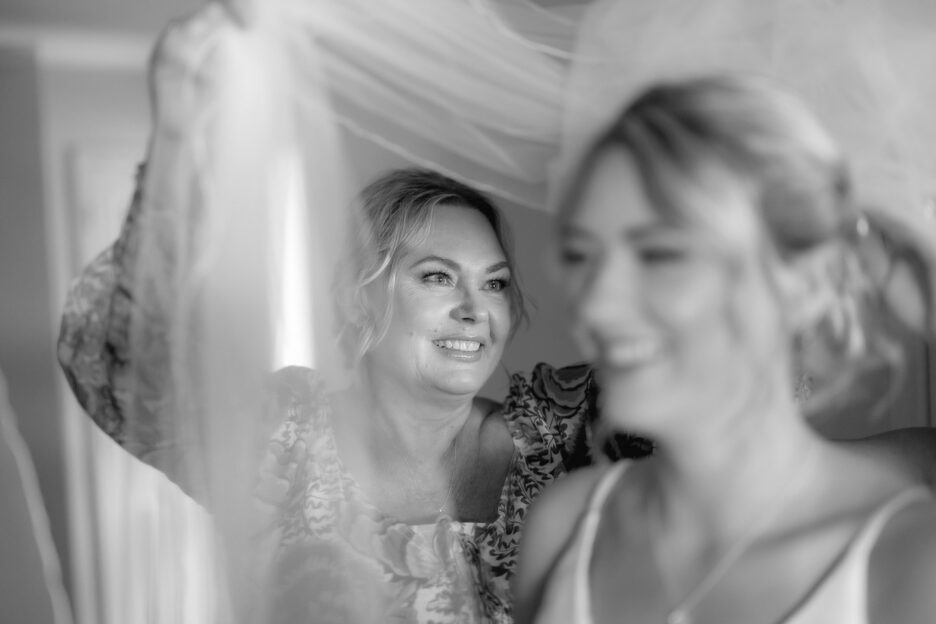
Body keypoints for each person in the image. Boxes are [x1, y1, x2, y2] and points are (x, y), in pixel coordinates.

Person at [514, 75, 936, 624]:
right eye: (580, 256)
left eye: (660, 255)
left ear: (805, 284)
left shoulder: (909, 560)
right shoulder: (565, 526)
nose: (597, 304)